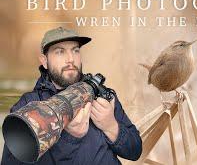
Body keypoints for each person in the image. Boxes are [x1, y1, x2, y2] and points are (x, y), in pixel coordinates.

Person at [1, 27, 142, 165]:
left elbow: (135, 151)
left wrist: (111, 126)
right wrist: (70, 137)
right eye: (60, 52)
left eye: (75, 50)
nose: (70, 59)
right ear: (44, 61)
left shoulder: (103, 98)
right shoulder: (27, 105)